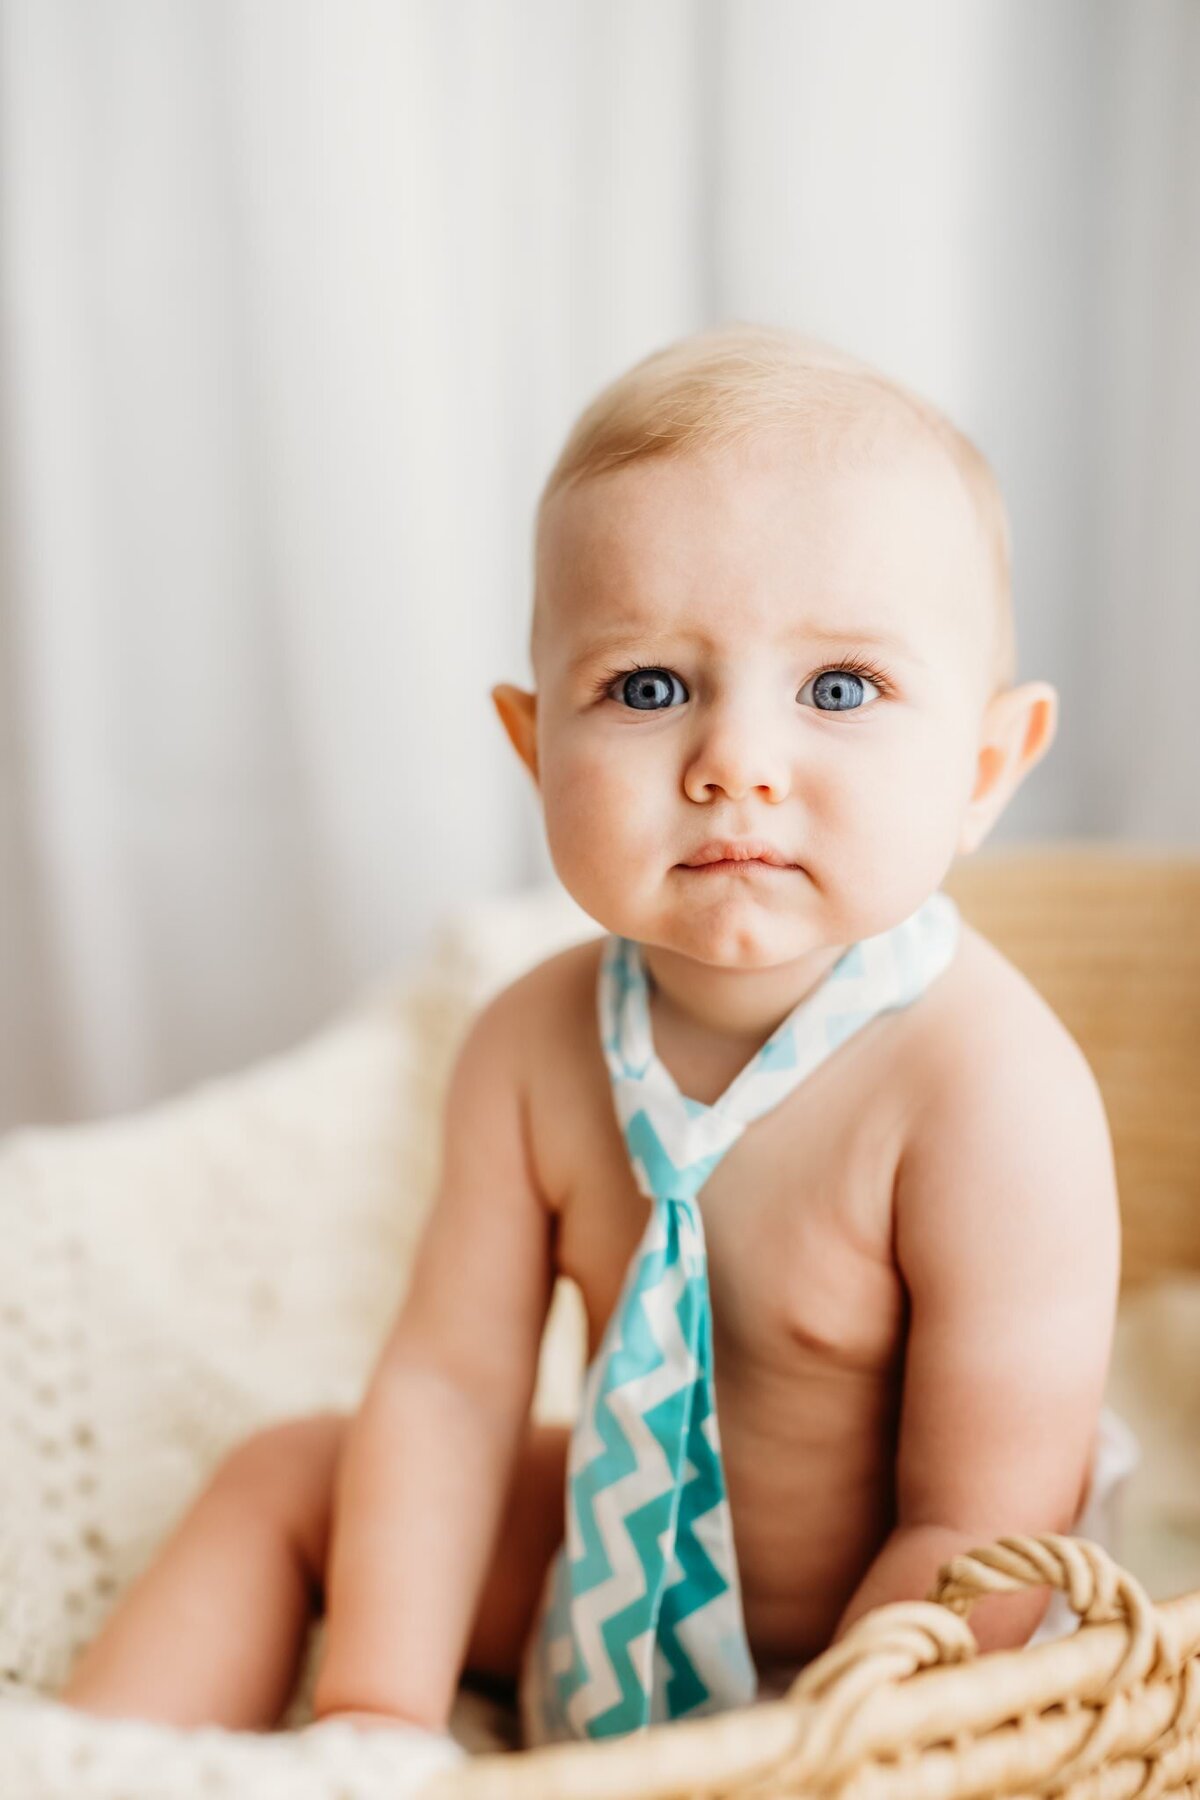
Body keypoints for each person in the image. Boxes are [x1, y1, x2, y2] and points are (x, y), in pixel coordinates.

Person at [62, 324, 1131, 1744]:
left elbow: (982, 1535)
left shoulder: (988, 1097)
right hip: (618, 1581)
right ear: (535, 747)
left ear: (986, 767)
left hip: (898, 1634)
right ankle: (79, 1762)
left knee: (963, 1613)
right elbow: (452, 1389)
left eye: (838, 689)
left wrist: (794, 1752)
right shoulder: (528, 1048)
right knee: (290, 1478)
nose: (734, 760)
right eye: (646, 688)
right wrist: (382, 1716)